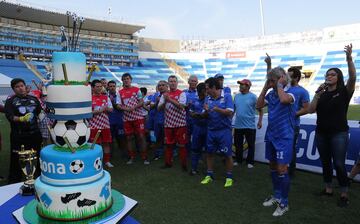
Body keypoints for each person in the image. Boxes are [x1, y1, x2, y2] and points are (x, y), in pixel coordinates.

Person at [308, 44, 355, 207]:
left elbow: (353, 78)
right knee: (326, 162)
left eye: (332, 74)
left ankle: (344, 192)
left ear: (338, 77)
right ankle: (328, 189)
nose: (328, 76)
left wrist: (349, 59)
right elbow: (310, 109)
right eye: (327, 74)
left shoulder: (343, 91)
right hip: (321, 133)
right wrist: (317, 94)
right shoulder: (321, 94)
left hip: (339, 134)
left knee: (339, 164)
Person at [256, 63, 296, 216]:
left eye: (271, 81)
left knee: (282, 169)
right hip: (271, 135)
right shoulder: (271, 93)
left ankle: (284, 202)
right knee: (272, 167)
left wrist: (279, 85)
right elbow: (258, 105)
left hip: (284, 137)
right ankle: (277, 195)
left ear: (280, 79)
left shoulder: (292, 91)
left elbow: (285, 100)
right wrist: (266, 88)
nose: (270, 83)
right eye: (269, 81)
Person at [5, 78, 42, 184]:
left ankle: (39, 178)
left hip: (34, 134)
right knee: (16, 160)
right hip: (19, 136)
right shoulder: (10, 101)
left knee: (37, 157)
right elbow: (10, 117)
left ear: (25, 86)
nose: (20, 88)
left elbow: (39, 113)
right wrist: (21, 119)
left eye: (22, 85)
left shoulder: (34, 99)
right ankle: (14, 182)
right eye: (17, 87)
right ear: (13, 89)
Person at [200, 77, 234, 187]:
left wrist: (216, 109)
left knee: (227, 154)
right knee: (209, 153)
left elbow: (229, 112)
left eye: (207, 88)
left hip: (224, 131)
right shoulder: (207, 98)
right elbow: (204, 115)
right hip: (211, 131)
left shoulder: (227, 96)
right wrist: (205, 111)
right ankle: (209, 174)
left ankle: (229, 177)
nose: (206, 91)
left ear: (214, 87)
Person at [118, 73, 149, 165]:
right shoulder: (120, 92)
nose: (126, 80)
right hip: (127, 119)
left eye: (128, 78)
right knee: (129, 138)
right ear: (122, 81)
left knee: (141, 137)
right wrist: (126, 109)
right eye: (124, 79)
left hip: (138, 117)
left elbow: (141, 102)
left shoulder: (136, 90)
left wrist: (134, 107)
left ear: (131, 80)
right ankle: (131, 157)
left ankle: (144, 157)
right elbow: (118, 105)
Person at [158, 75, 188, 170]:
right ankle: (168, 163)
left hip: (180, 124)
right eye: (170, 81)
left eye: (174, 81)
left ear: (177, 83)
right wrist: (163, 102)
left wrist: (169, 100)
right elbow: (159, 108)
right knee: (168, 144)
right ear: (168, 83)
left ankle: (183, 164)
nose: (172, 83)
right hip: (168, 124)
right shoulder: (164, 95)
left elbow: (182, 106)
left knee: (182, 145)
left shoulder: (181, 93)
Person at [233, 79, 263, 168]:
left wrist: (260, 121)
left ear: (247, 86)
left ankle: (250, 162)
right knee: (238, 144)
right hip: (238, 125)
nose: (240, 86)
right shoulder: (236, 96)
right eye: (240, 84)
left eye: (242, 85)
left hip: (250, 126)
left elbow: (260, 110)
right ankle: (238, 160)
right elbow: (234, 110)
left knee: (251, 145)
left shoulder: (253, 97)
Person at [287, 67, 309, 176]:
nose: (287, 77)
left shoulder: (302, 91)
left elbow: (307, 108)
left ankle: (291, 171)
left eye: (289, 75)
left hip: (293, 125)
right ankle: (279, 168)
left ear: (296, 77)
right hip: (279, 124)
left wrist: (294, 114)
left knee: (291, 148)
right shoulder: (284, 89)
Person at [89, 79, 114, 167]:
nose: (99, 88)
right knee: (95, 144)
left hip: (105, 124)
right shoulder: (89, 98)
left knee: (106, 143)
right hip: (93, 125)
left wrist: (105, 109)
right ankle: (97, 162)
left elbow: (111, 109)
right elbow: (87, 113)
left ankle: (107, 161)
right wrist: (98, 111)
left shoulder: (105, 97)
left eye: (100, 86)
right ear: (92, 88)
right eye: (97, 86)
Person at [189, 82, 207, 175]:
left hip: (207, 128)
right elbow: (190, 112)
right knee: (195, 148)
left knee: (209, 150)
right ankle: (193, 168)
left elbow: (205, 115)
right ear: (202, 91)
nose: (207, 92)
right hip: (197, 128)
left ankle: (209, 170)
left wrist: (197, 115)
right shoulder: (194, 100)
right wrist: (198, 115)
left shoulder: (209, 100)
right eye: (206, 90)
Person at [107, 80, 127, 159]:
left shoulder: (120, 96)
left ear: (116, 87)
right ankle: (110, 155)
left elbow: (122, 107)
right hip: (109, 121)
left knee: (121, 138)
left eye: (113, 86)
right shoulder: (105, 96)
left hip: (119, 121)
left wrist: (114, 104)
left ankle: (124, 153)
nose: (112, 88)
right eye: (110, 86)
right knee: (110, 139)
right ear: (108, 87)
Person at [151, 81, 168, 160]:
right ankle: (157, 153)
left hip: (168, 120)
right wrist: (157, 101)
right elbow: (151, 106)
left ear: (166, 86)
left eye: (163, 85)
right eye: (159, 85)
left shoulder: (169, 95)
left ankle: (168, 154)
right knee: (158, 138)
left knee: (167, 138)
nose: (161, 87)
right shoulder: (155, 95)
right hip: (157, 120)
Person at [183, 75, 198, 155]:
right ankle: (187, 153)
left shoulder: (199, 92)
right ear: (188, 82)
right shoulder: (184, 92)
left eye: (195, 81)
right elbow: (180, 105)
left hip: (196, 119)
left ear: (197, 82)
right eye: (191, 81)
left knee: (196, 138)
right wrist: (186, 105)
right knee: (186, 137)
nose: (193, 82)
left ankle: (196, 154)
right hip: (186, 119)